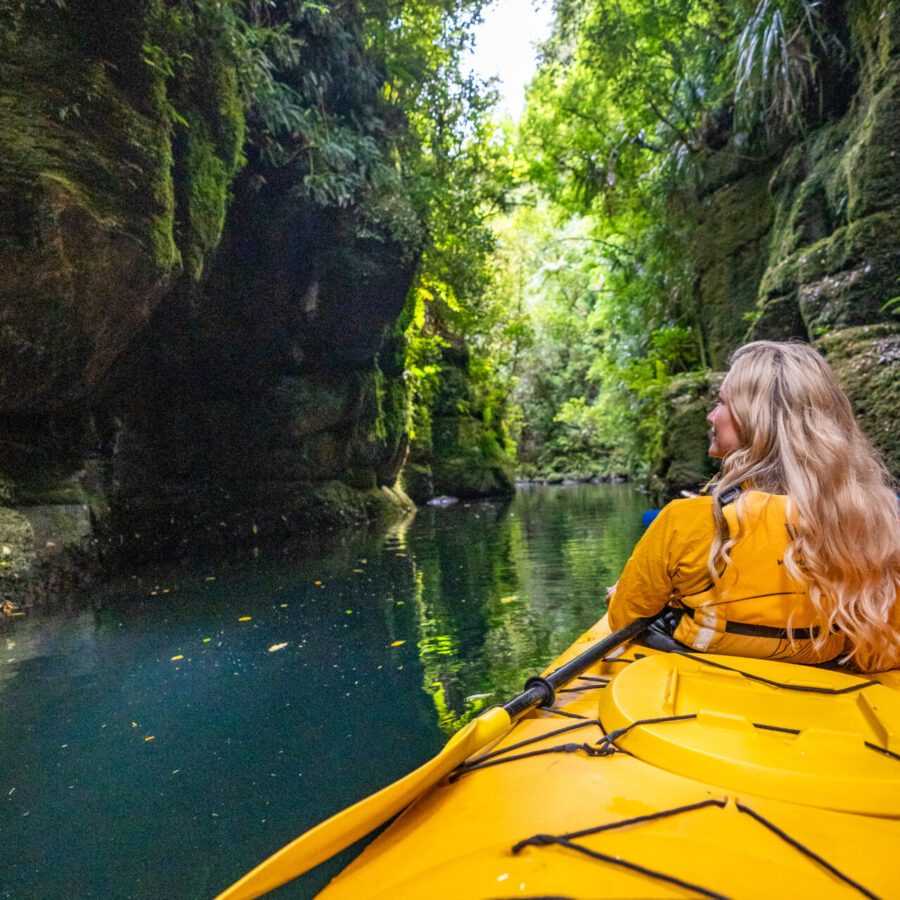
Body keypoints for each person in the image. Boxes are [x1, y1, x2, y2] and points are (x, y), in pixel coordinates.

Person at [607, 340, 900, 671]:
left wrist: (622, 593)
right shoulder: (873, 522)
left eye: (720, 402)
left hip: (704, 691)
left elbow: (622, 618)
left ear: (754, 419)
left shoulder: (683, 522)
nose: (710, 415)